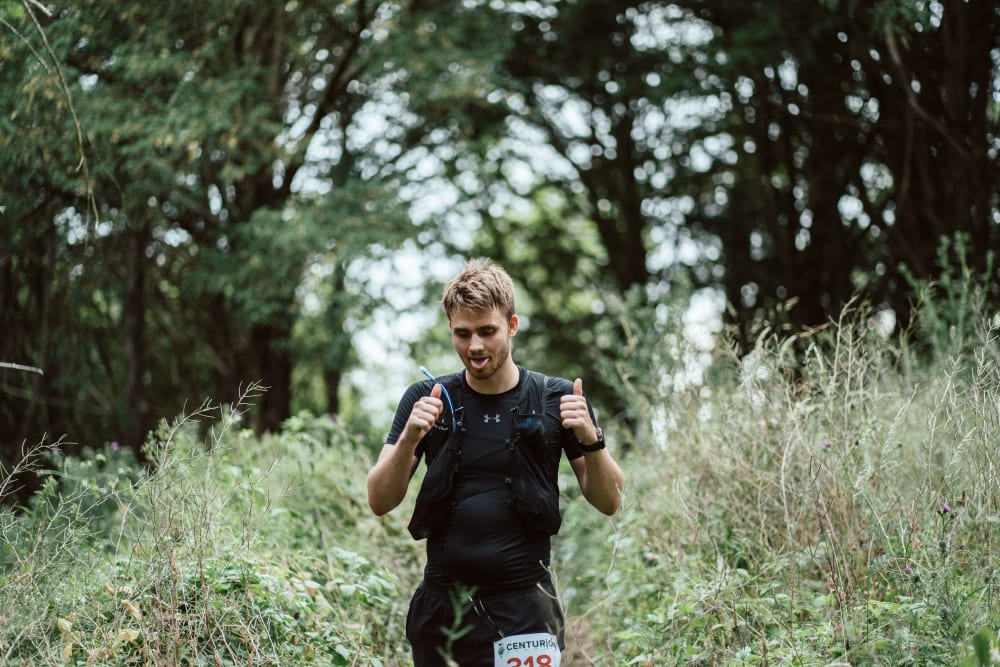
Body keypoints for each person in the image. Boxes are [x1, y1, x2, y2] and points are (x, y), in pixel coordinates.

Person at [367, 258, 625, 667]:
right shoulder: (426, 398)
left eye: (487, 331)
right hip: (442, 610)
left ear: (512, 325)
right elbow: (379, 500)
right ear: (451, 329)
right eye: (462, 333)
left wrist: (592, 441)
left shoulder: (558, 398)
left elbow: (610, 501)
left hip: (527, 612)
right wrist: (409, 439)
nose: (474, 347)